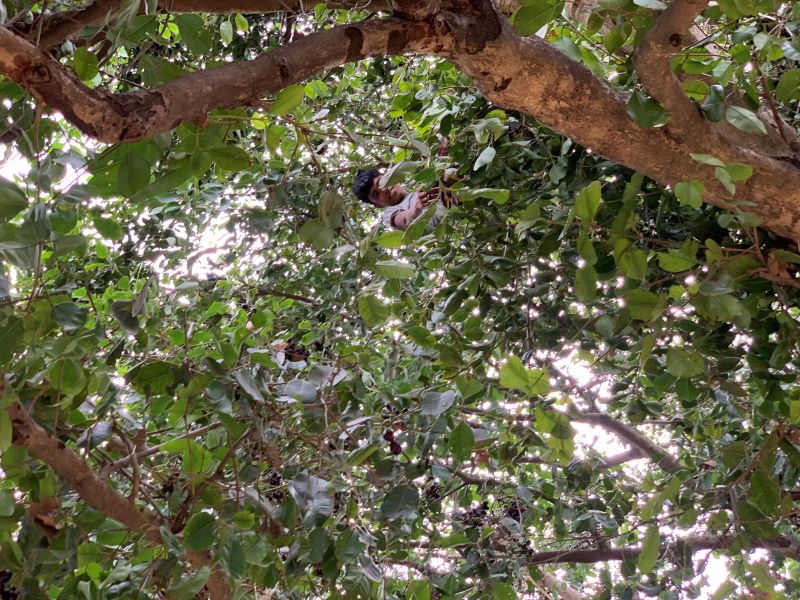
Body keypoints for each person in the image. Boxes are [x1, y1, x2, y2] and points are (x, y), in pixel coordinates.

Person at [352, 169, 448, 230]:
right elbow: (405, 219)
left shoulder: (420, 189)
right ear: (378, 205)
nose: (384, 189)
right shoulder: (389, 214)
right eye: (376, 194)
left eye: (381, 182)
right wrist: (415, 209)